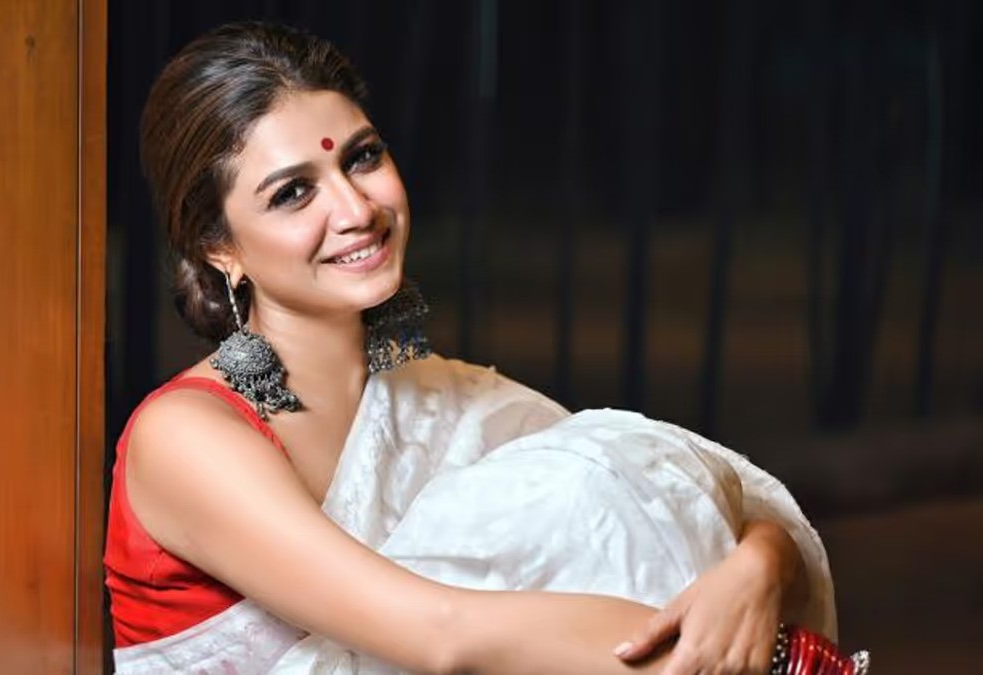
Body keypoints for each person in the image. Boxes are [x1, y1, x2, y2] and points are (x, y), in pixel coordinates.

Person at [105, 21, 866, 675]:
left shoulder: (436, 395)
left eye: (362, 157)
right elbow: (442, 636)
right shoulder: (186, 438)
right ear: (217, 246)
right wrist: (752, 658)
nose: (356, 208)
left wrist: (759, 565)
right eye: (293, 192)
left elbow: (662, 490)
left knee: (596, 480)